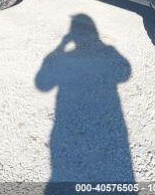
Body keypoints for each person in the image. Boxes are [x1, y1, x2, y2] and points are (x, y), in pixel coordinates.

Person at [35, 14, 133, 187]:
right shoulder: (109, 51)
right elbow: (125, 74)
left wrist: (60, 47)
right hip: (109, 123)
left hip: (68, 128)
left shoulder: (65, 57)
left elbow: (42, 84)